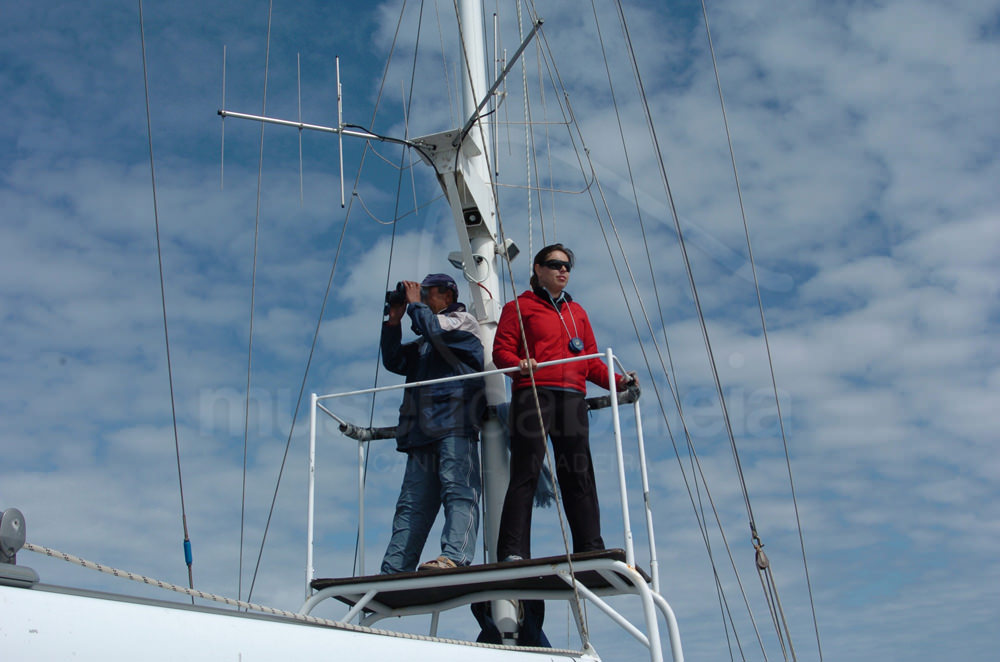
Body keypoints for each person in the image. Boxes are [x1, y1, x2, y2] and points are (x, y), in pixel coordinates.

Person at [493, 244, 635, 561]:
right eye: (555, 264)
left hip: (572, 398)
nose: (563, 270)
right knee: (526, 471)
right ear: (538, 268)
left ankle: (590, 548)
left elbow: (590, 362)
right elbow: (501, 351)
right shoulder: (518, 307)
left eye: (568, 266)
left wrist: (620, 381)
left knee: (578, 473)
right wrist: (519, 363)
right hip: (533, 393)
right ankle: (513, 551)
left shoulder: (577, 312)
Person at [379, 273, 486, 573]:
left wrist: (414, 305)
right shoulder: (424, 341)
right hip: (421, 430)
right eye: (420, 293)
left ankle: (454, 556)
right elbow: (394, 360)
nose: (422, 298)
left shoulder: (464, 322)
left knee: (458, 490)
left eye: (427, 293)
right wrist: (394, 321)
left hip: (455, 422)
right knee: (411, 504)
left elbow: (437, 331)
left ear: (448, 295)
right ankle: (395, 569)